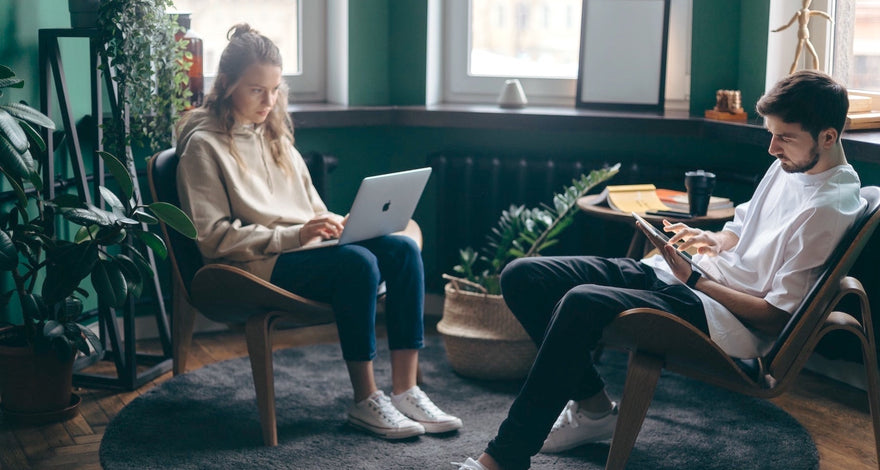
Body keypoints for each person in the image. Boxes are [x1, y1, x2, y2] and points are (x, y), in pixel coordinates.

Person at [455, 70, 865, 470]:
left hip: (719, 317)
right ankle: (596, 409)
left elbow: (776, 318)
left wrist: (696, 279)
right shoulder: (790, 164)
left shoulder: (825, 209)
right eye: (770, 133)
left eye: (784, 137)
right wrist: (711, 241)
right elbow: (742, 228)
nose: (772, 147)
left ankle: (504, 458)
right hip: (688, 279)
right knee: (524, 276)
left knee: (580, 302)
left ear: (829, 136)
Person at [175, 23, 461, 441]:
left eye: (275, 90)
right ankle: (366, 399)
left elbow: (310, 210)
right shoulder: (203, 148)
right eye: (257, 90)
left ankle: (407, 390)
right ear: (227, 85)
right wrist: (296, 235)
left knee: (401, 249)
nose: (269, 102)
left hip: (301, 250)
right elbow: (214, 239)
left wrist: (337, 224)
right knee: (357, 263)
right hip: (255, 266)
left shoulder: (276, 138)